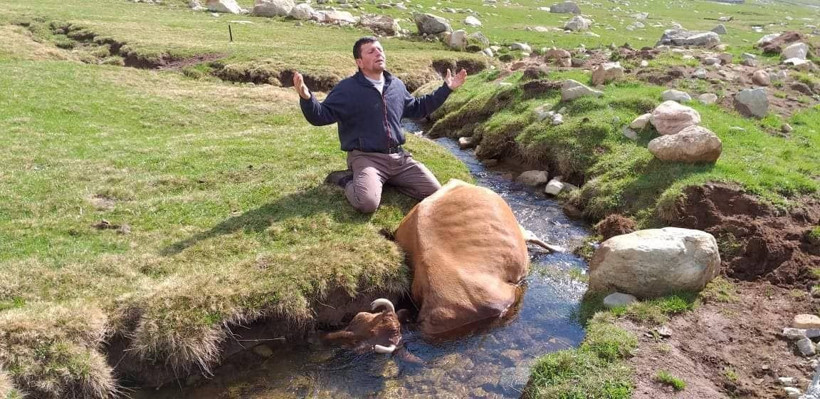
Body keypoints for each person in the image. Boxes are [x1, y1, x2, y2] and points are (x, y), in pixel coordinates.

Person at [293, 36, 467, 213]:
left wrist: (447, 89)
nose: (379, 53)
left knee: (435, 193)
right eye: (371, 51)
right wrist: (307, 99)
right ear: (359, 62)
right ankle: (345, 179)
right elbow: (321, 116)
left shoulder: (396, 85)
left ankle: (385, 180)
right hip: (366, 158)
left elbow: (418, 109)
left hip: (399, 159)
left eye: (380, 50)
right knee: (366, 203)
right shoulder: (347, 89)